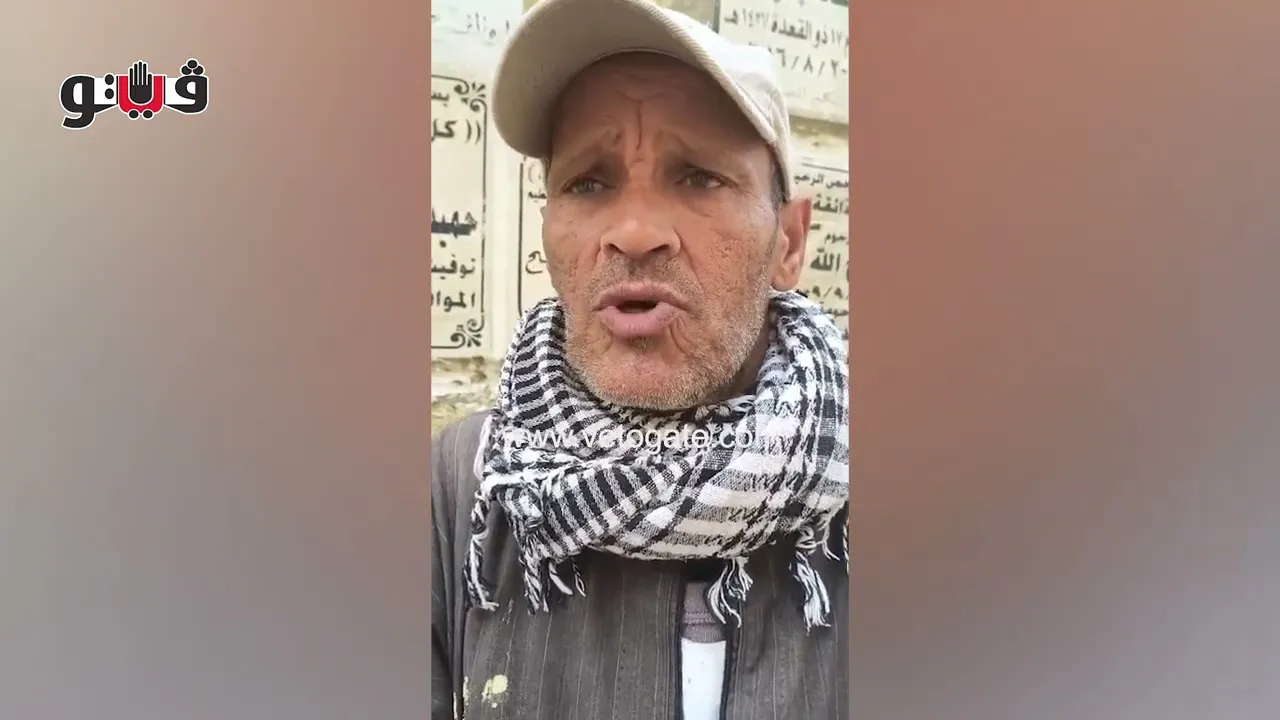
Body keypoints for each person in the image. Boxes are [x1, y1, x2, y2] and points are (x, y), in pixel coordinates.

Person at [431, 0, 849, 717]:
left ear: (789, 241)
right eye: (588, 183)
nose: (633, 233)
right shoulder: (461, 490)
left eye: (699, 177)